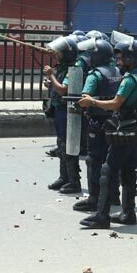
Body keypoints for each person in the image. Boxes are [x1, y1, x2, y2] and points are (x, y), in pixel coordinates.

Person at [77, 37, 137, 228]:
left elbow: (115, 104)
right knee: (128, 173)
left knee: (107, 172)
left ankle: (101, 216)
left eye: (121, 59)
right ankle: (128, 213)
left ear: (130, 58)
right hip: (136, 131)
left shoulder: (130, 79)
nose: (117, 62)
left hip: (123, 131)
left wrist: (92, 102)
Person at [72, 38, 121, 213]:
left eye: (91, 54)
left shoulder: (95, 75)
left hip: (98, 122)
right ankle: (114, 196)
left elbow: (85, 99)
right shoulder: (117, 70)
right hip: (116, 122)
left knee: (94, 161)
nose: (89, 57)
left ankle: (94, 198)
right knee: (112, 160)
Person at [43, 34, 83, 194]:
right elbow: (56, 86)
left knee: (68, 145)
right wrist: (51, 81)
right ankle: (63, 177)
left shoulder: (72, 69)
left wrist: (51, 75)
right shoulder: (61, 67)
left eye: (58, 52)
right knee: (61, 144)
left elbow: (62, 89)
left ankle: (74, 180)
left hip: (68, 112)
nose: (55, 54)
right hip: (59, 110)